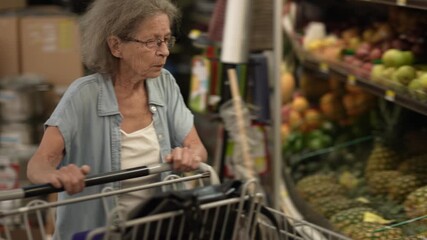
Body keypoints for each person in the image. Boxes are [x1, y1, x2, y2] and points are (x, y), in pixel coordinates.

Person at [26, 0, 208, 239]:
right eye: (152, 41)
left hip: (156, 229)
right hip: (96, 233)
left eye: (166, 40)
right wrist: (56, 176)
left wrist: (189, 155)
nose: (163, 50)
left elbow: (197, 148)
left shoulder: (165, 83)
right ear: (116, 46)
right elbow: (38, 164)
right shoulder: (84, 95)